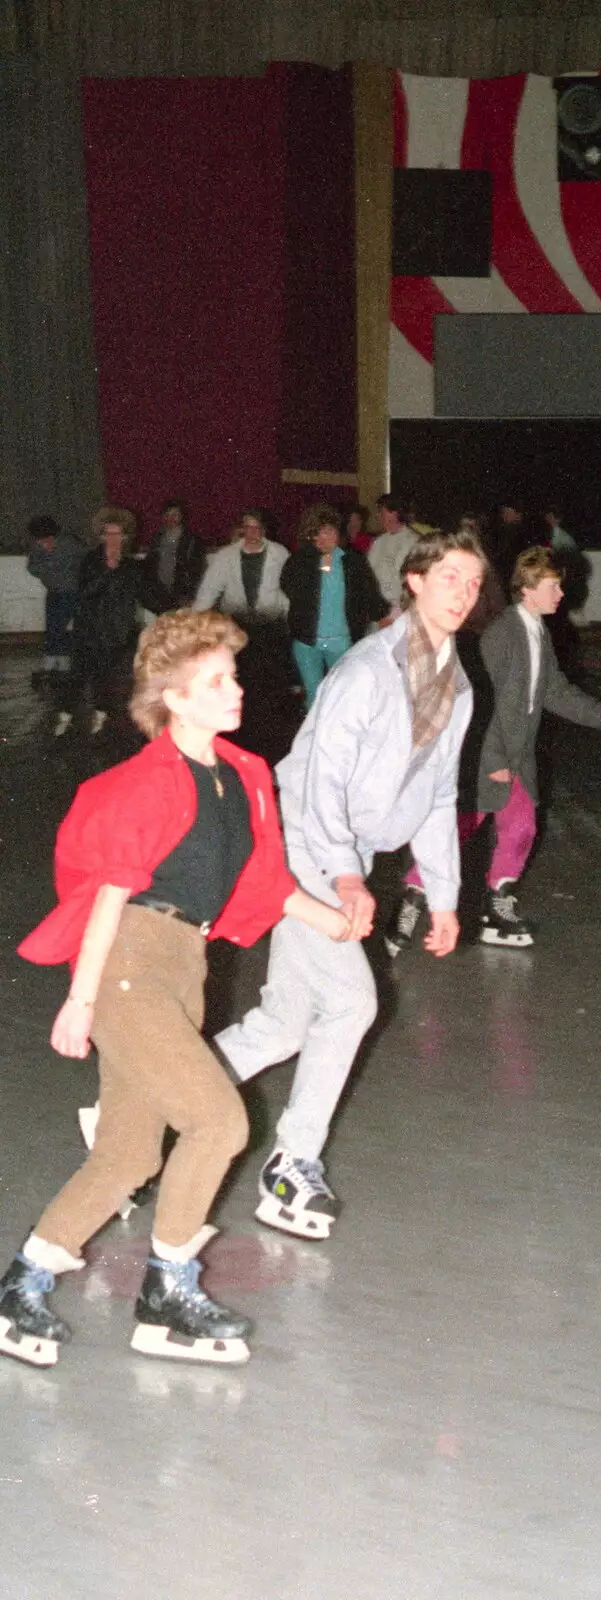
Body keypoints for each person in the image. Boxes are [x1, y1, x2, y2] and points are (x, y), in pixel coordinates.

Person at [0, 610, 355, 1370]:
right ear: (175, 699)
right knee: (220, 1123)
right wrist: (82, 998)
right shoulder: (143, 782)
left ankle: (24, 1283)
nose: (235, 691)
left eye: (232, 675)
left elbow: (262, 880)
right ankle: (168, 1291)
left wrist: (330, 920)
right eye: (217, 681)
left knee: (128, 1155)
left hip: (184, 967)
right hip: (129, 961)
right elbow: (107, 895)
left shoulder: (245, 776)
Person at [212, 529, 485, 1240]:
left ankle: (143, 1108)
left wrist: (446, 895)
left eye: (474, 583)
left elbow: (434, 795)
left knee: (285, 1021)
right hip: (302, 840)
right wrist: (341, 875)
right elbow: (320, 782)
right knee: (354, 1002)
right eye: (450, 577)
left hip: (344, 850)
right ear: (415, 582)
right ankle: (290, 1165)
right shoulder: (367, 669)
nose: (463, 592)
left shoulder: (456, 686)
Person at [388, 546, 601, 954]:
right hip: (489, 757)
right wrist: (495, 758)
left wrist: (600, 714)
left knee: (521, 828)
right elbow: (484, 700)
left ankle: (498, 906)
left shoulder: (538, 633)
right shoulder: (504, 633)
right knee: (454, 832)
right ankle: (410, 901)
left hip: (519, 760)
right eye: (553, 586)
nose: (560, 595)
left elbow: (554, 691)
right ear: (529, 589)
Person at [55, 506, 145, 738]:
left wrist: (175, 610)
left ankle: (101, 717)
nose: (113, 539)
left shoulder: (132, 567)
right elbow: (85, 592)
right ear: (101, 536)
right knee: (78, 675)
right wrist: (107, 569)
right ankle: (65, 716)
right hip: (88, 630)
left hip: (115, 634)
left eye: (117, 534)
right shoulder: (90, 561)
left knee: (106, 678)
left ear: (125, 537)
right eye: (108, 534)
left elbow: (147, 594)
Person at [281, 502, 381, 704]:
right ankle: (314, 734)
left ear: (338, 531)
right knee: (314, 695)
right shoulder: (299, 560)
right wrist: (316, 563)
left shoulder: (353, 560)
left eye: (327, 531)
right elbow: (289, 588)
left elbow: (368, 592)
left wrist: (383, 615)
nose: (322, 538)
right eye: (315, 534)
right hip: (307, 640)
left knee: (342, 696)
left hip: (342, 640)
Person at [192, 509, 288, 623]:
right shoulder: (225, 555)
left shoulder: (280, 553)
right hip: (235, 621)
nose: (252, 532)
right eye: (248, 527)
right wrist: (195, 618)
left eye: (257, 527)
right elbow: (209, 588)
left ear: (264, 529)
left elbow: (290, 589)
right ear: (242, 529)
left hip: (271, 621)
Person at [26, 514, 85, 682]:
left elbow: (85, 561)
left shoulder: (70, 543)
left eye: (48, 538)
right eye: (40, 540)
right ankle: (53, 662)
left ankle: (63, 663)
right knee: (52, 625)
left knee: (60, 626)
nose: (44, 543)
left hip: (72, 591)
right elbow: (32, 567)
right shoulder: (37, 547)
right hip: (54, 591)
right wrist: (45, 565)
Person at [142, 499, 207, 612]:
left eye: (175, 515)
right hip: (158, 595)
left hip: (181, 596)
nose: (171, 518)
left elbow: (197, 570)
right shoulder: (157, 539)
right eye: (167, 515)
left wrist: (190, 595)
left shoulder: (192, 541)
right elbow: (150, 566)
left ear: (181, 516)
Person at [367, 493, 419, 617]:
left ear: (394, 513)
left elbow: (407, 581)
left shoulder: (412, 540)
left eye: (381, 512)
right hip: (377, 608)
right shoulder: (378, 542)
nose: (378, 516)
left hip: (399, 609)